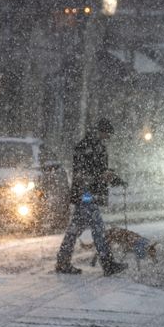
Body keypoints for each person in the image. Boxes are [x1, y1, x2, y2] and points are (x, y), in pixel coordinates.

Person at [55, 118, 129, 276]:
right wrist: (102, 176)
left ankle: (63, 261)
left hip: (86, 193)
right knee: (98, 228)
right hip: (87, 195)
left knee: (74, 230)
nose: (108, 138)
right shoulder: (89, 147)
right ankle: (107, 264)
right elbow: (86, 173)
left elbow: (97, 170)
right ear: (101, 132)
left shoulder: (93, 146)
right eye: (107, 134)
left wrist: (114, 179)